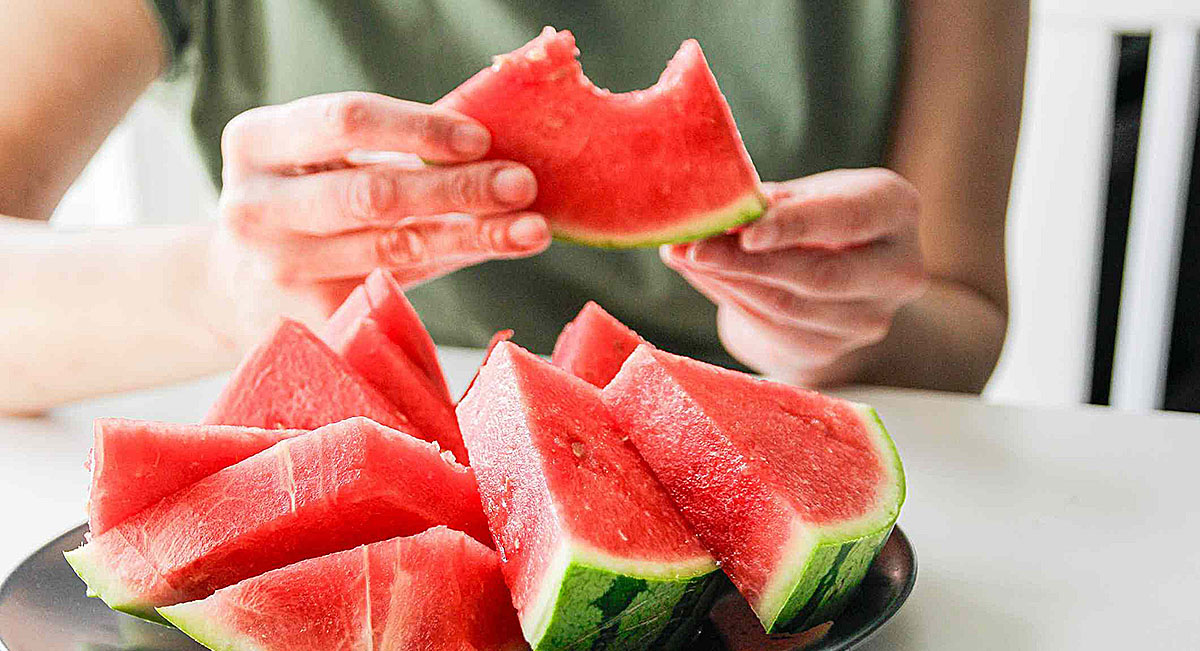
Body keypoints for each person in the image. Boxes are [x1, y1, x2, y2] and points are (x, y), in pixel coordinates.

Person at [0, 1, 1026, 414]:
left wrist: (842, 328)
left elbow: (965, 313)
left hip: (743, 604)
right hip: (356, 477)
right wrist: (221, 288)